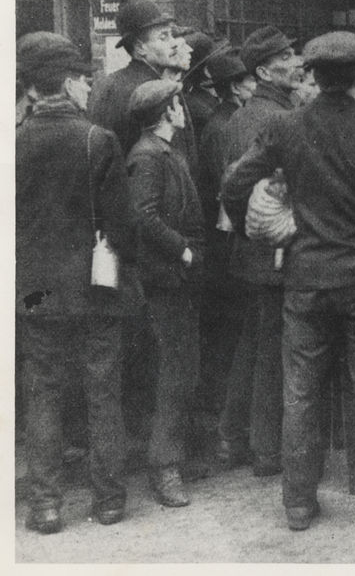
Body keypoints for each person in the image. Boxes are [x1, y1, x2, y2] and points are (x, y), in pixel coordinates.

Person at [222, 31, 355, 533]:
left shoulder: (285, 126)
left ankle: (299, 503)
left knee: (301, 391)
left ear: (313, 75)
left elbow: (234, 184)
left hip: (305, 280)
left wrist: (261, 230)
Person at [16, 35, 140, 534]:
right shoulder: (97, 140)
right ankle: (109, 500)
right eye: (85, 79)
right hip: (94, 285)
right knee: (102, 389)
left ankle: (44, 506)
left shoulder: (12, 142)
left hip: (35, 289)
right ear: (67, 82)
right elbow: (123, 229)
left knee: (43, 390)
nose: (89, 88)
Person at [215, 26, 303, 476]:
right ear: (266, 70)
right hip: (274, 253)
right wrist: (270, 231)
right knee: (273, 354)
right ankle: (267, 452)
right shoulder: (277, 119)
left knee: (253, 346)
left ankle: (233, 438)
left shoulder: (240, 116)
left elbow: (229, 190)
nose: (298, 58)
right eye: (287, 55)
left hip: (249, 253)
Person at [126, 79, 206, 508]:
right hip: (164, 279)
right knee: (174, 373)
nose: (184, 110)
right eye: (178, 103)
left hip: (177, 278)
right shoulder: (148, 156)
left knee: (182, 370)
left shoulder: (165, 151)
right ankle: (164, 467)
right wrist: (184, 249)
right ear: (167, 111)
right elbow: (142, 216)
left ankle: (173, 456)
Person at [194, 51, 256, 412]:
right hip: (225, 243)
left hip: (225, 241)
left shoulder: (225, 120)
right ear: (235, 87)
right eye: (250, 80)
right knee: (231, 334)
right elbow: (226, 191)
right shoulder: (224, 126)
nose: (255, 86)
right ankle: (224, 411)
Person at [89, 0, 198, 174]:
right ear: (140, 48)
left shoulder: (105, 84)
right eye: (164, 37)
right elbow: (175, 160)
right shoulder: (157, 92)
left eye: (171, 35)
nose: (173, 43)